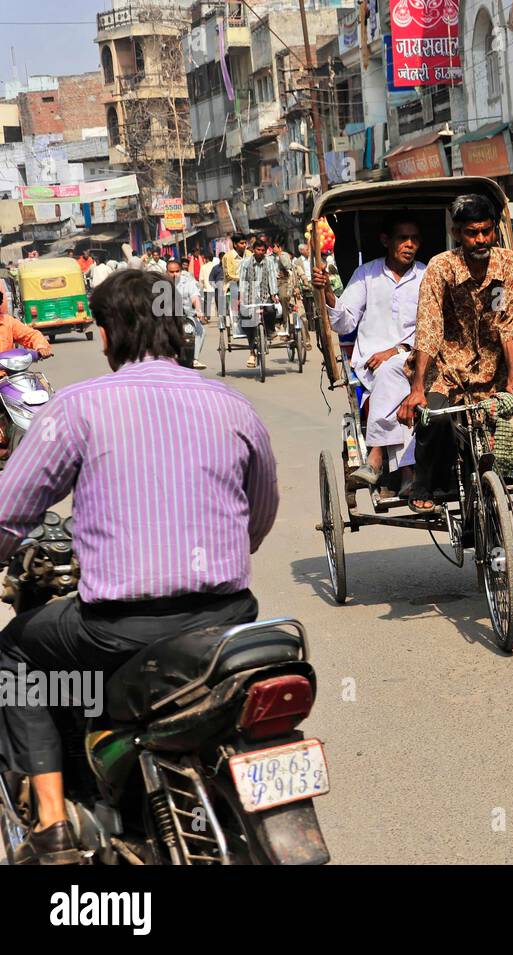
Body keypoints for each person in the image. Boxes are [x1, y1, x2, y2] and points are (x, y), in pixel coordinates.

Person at [0, 267, 277, 864]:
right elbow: (259, 517)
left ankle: (51, 829)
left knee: (15, 652)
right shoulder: (233, 404)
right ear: (177, 325)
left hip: (122, 630)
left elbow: (7, 515)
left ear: (107, 333)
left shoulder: (80, 407)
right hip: (230, 621)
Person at [398, 195, 513, 540]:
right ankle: (425, 481)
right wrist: (417, 389)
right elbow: (429, 330)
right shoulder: (441, 268)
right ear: (457, 233)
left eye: (487, 232)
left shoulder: (506, 265)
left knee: (505, 420)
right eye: (472, 233)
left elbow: (507, 322)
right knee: (435, 417)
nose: (481, 240)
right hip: (446, 368)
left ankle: (495, 536)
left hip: (493, 368)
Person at [314, 215, 426, 493]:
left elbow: (433, 325)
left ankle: (377, 455)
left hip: (417, 357)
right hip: (371, 365)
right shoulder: (366, 274)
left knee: (395, 368)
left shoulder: (427, 274)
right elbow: (344, 322)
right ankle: (407, 471)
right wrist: (328, 291)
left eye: (414, 239)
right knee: (390, 371)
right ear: (386, 241)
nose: (409, 244)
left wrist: (397, 350)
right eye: (402, 238)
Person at [238, 236, 280, 369]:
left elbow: (272, 279)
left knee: (271, 310)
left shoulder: (269, 262)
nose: (260, 252)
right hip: (250, 296)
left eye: (263, 250)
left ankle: (270, 330)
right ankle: (251, 352)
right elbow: (242, 281)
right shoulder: (245, 263)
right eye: (258, 250)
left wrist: (274, 294)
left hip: (265, 295)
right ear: (253, 250)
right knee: (248, 319)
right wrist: (241, 297)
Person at [165, 257, 207, 370]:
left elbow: (195, 297)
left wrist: (199, 311)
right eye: (171, 272)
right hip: (167, 317)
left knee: (201, 330)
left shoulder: (188, 282)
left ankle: (195, 359)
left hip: (186, 316)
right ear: (166, 272)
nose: (175, 274)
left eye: (177, 271)